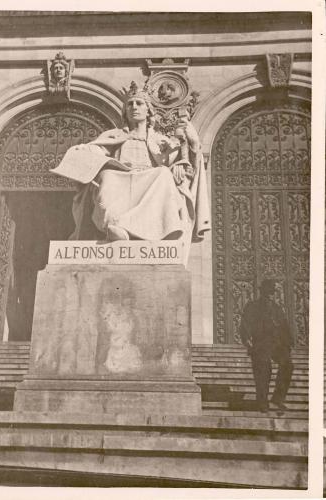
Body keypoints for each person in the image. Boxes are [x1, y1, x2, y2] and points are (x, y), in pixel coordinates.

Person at [59, 81, 210, 261]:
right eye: (130, 104)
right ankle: (115, 227)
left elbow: (182, 162)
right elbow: (97, 151)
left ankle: (133, 228)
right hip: (120, 176)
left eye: (139, 104)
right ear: (125, 111)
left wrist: (190, 148)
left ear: (149, 110)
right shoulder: (114, 135)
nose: (134, 107)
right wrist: (84, 151)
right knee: (106, 177)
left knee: (162, 174)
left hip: (148, 178)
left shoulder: (159, 139)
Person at [239, 279, 294, 413]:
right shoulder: (252, 306)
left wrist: (289, 344)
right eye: (268, 292)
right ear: (262, 292)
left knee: (287, 365)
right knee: (263, 371)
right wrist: (247, 341)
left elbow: (284, 327)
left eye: (272, 292)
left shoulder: (277, 309)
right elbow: (244, 325)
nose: (270, 295)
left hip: (277, 344)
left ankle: (278, 398)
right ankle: (262, 402)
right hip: (260, 344)